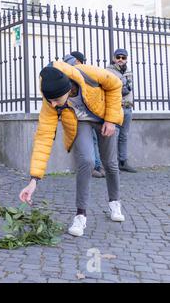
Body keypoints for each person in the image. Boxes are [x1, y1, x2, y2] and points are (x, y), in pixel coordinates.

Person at [18, 61, 125, 237]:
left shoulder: (87, 74)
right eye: (49, 100)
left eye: (56, 101)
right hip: (80, 122)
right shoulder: (50, 101)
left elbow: (115, 85)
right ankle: (80, 215)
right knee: (87, 161)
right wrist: (33, 180)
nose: (53, 105)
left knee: (110, 163)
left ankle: (115, 202)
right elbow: (44, 136)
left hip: (105, 116)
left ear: (67, 90)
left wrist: (111, 119)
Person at [65, 52, 105, 178]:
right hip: (81, 117)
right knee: (90, 142)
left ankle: (97, 166)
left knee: (94, 141)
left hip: (93, 115)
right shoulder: (69, 75)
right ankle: (94, 167)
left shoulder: (88, 74)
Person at [106, 49, 137, 173]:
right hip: (116, 107)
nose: (120, 59)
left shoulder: (128, 71)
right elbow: (111, 88)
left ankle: (123, 161)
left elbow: (129, 88)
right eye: (118, 57)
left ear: (126, 59)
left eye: (123, 57)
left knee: (124, 136)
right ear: (114, 58)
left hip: (128, 107)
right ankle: (112, 164)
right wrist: (123, 87)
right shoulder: (108, 71)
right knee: (114, 136)